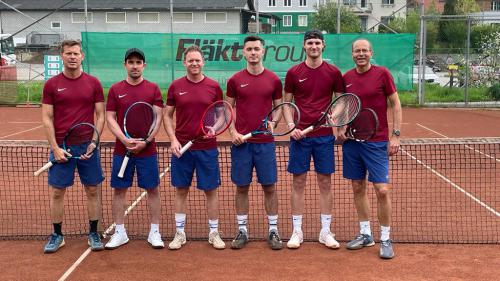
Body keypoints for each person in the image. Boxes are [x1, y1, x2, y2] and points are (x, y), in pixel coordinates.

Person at [339, 39, 402, 259]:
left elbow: (395, 104)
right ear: (352, 54)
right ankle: (365, 234)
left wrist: (395, 135)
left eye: (365, 50)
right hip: (352, 143)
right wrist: (340, 126)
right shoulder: (346, 78)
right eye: (357, 51)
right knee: (358, 187)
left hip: (376, 142)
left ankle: (385, 238)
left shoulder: (382, 73)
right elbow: (343, 106)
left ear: (371, 53)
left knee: (382, 190)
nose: (361, 54)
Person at [41, 39, 105, 253]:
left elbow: (101, 114)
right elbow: (47, 118)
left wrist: (94, 143)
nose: (72, 57)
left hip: (87, 146)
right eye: (68, 53)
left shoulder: (93, 83)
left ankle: (94, 233)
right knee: (57, 192)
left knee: (93, 189)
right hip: (61, 147)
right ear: (62, 56)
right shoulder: (51, 85)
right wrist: (56, 148)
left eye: (76, 53)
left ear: (82, 56)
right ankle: (57, 235)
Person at [283, 29, 344, 249]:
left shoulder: (334, 72)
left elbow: (341, 102)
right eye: (310, 43)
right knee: (298, 182)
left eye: (317, 43)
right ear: (304, 46)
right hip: (300, 137)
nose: (314, 47)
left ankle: (325, 231)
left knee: (325, 183)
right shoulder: (293, 72)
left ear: (323, 46)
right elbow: (287, 104)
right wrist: (291, 126)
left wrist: (333, 117)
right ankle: (297, 231)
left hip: (324, 137)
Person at [163, 45, 225, 250]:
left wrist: (213, 129)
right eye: (190, 60)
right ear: (184, 63)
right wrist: (173, 139)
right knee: (181, 190)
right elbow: (167, 115)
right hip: (183, 148)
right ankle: (180, 233)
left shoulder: (214, 86)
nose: (194, 63)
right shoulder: (175, 86)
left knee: (211, 191)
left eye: (197, 60)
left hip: (207, 147)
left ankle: (214, 233)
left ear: (203, 62)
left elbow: (221, 116)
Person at [226, 35, 283, 250]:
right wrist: (232, 131)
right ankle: (242, 230)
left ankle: (273, 230)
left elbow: (278, 108)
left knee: (269, 186)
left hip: (265, 143)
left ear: (263, 51)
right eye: (249, 49)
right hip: (242, 144)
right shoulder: (234, 80)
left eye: (256, 49)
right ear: (244, 52)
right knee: (242, 187)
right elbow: (227, 109)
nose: (253, 52)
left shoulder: (274, 80)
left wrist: (274, 123)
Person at [104, 48, 165, 249]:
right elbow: (110, 117)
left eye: (138, 62)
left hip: (147, 151)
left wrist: (146, 141)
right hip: (123, 152)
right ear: (125, 65)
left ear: (144, 66)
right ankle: (120, 232)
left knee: (153, 190)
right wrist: (123, 139)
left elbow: (158, 117)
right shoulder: (115, 89)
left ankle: (154, 231)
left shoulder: (153, 89)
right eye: (131, 62)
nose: (135, 66)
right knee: (119, 191)